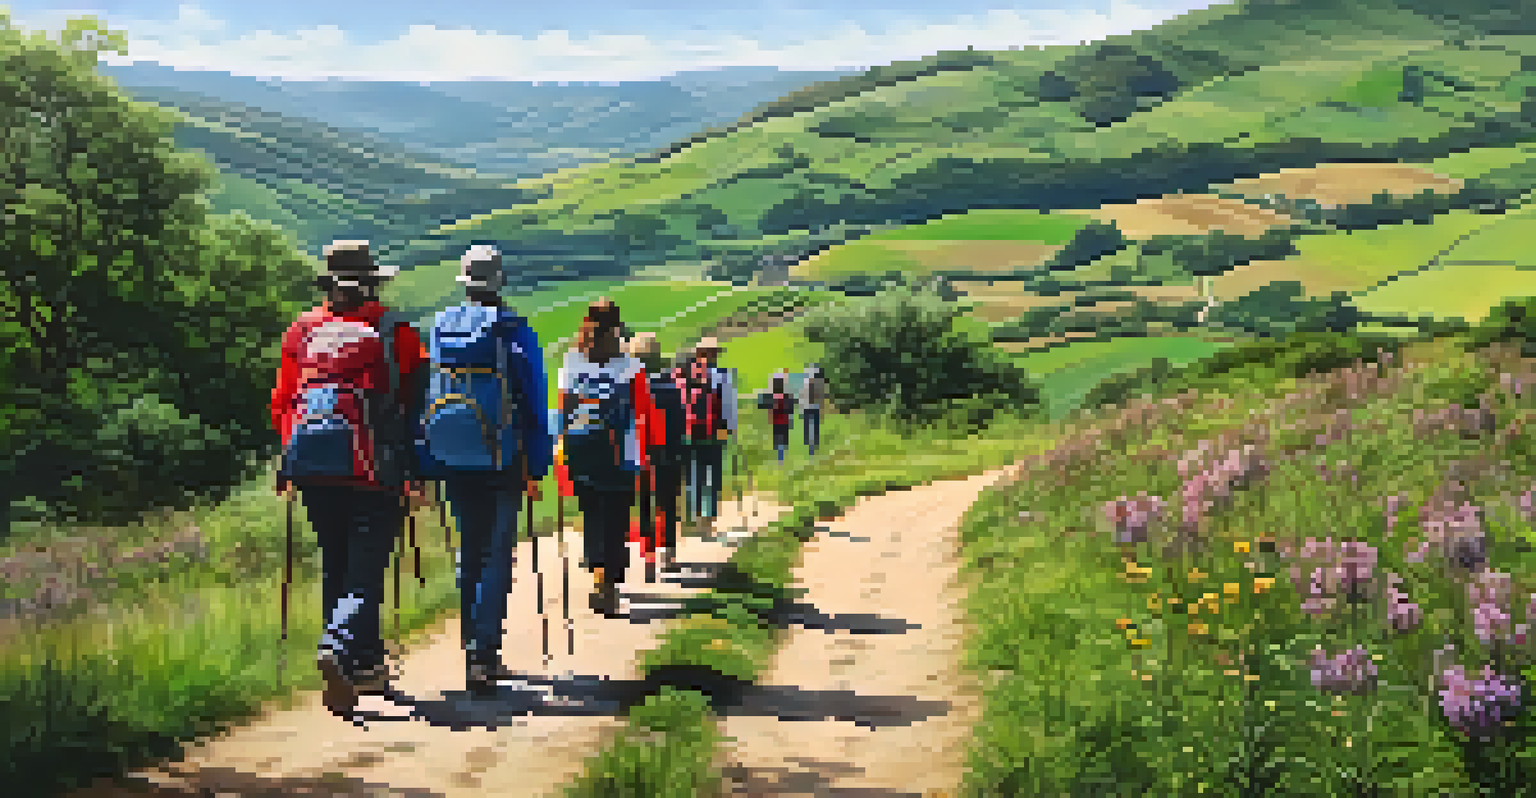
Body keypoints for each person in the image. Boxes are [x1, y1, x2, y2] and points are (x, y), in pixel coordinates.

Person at [271, 240, 429, 717]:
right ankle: (337, 648)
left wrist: (292, 460)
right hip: (374, 468)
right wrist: (416, 472)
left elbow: (283, 403)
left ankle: (364, 667)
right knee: (364, 573)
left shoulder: (302, 331)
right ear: (374, 282)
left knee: (336, 565)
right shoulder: (395, 332)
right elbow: (413, 407)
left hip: (312, 466)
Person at [418, 245, 551, 696]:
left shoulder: (440, 326)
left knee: (469, 550)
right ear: (500, 280)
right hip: (501, 455)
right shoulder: (512, 329)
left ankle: (471, 647)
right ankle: (483, 653)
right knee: (496, 554)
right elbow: (533, 398)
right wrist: (536, 463)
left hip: (452, 451)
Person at [555, 299, 653, 617]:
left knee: (592, 512)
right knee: (616, 516)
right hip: (620, 452)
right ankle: (609, 582)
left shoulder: (572, 360)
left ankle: (598, 571)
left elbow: (564, 407)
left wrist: (559, 443)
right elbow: (643, 412)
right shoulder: (631, 366)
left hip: (581, 448)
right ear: (618, 327)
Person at [628, 332, 687, 579]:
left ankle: (648, 557)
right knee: (667, 502)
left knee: (644, 502)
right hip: (668, 452)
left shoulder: (631, 387)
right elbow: (681, 422)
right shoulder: (671, 386)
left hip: (640, 453)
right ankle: (669, 554)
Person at [678, 337, 737, 538]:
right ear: (715, 354)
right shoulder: (723, 376)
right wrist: (731, 428)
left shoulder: (685, 375)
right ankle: (707, 521)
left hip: (690, 433)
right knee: (713, 476)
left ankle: (694, 518)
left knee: (694, 474)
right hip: (715, 432)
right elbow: (729, 405)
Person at [798, 363, 828, 457]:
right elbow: (821, 397)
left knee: (810, 426)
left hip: (810, 407)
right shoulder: (818, 384)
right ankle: (812, 444)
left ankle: (811, 444)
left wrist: (801, 407)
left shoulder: (806, 383)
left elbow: (802, 396)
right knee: (813, 426)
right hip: (813, 407)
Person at [767, 371, 795, 463]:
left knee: (777, 438)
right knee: (784, 439)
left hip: (776, 421)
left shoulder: (773, 397)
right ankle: (781, 456)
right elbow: (790, 409)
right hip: (784, 421)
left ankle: (779, 456)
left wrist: (770, 418)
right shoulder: (786, 396)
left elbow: (770, 410)